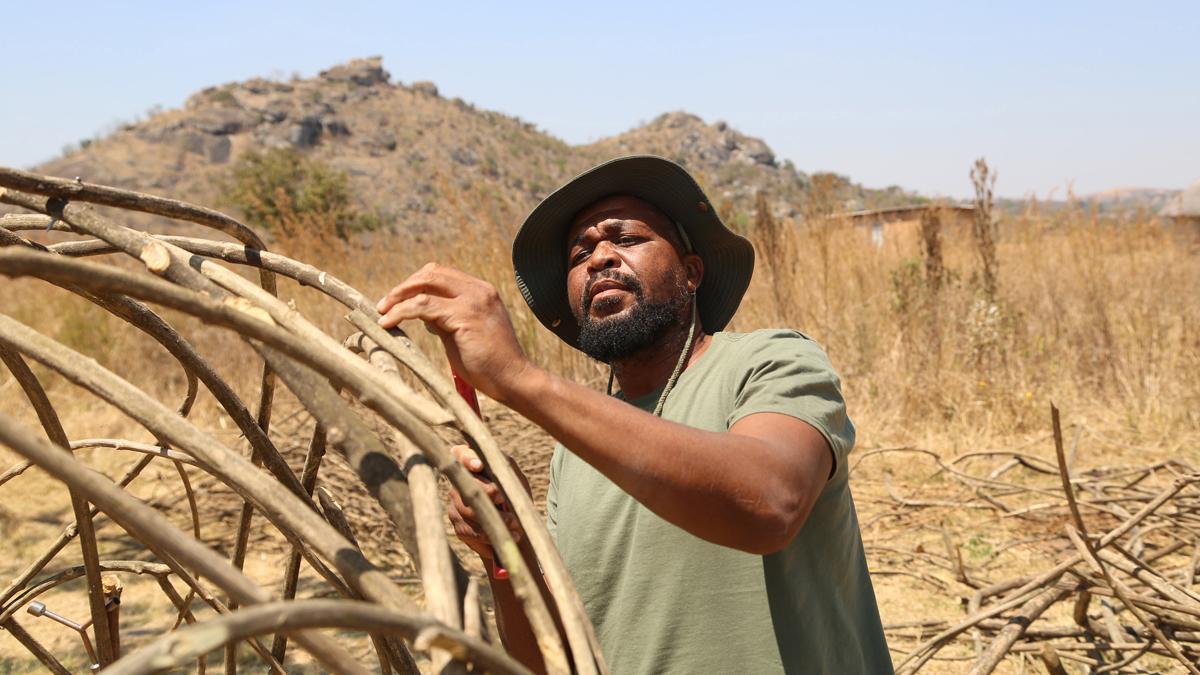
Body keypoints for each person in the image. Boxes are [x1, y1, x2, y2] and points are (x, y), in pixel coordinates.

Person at [376, 155, 891, 674]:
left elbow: (769, 505)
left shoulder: (769, 362)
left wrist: (518, 377)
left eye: (626, 240)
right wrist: (507, 549)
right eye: (580, 253)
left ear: (691, 273)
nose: (599, 258)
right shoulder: (572, 457)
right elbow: (552, 661)